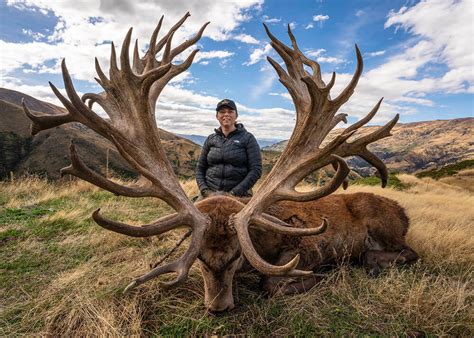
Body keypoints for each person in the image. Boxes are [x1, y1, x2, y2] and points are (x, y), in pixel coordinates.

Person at [196, 99, 262, 198]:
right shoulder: (210, 139)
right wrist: (205, 191)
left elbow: (256, 170)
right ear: (217, 116)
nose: (226, 114)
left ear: (236, 116)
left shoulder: (248, 138)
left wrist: (234, 193)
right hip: (210, 193)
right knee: (193, 213)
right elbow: (200, 168)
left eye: (230, 112)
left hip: (239, 194)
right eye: (222, 112)